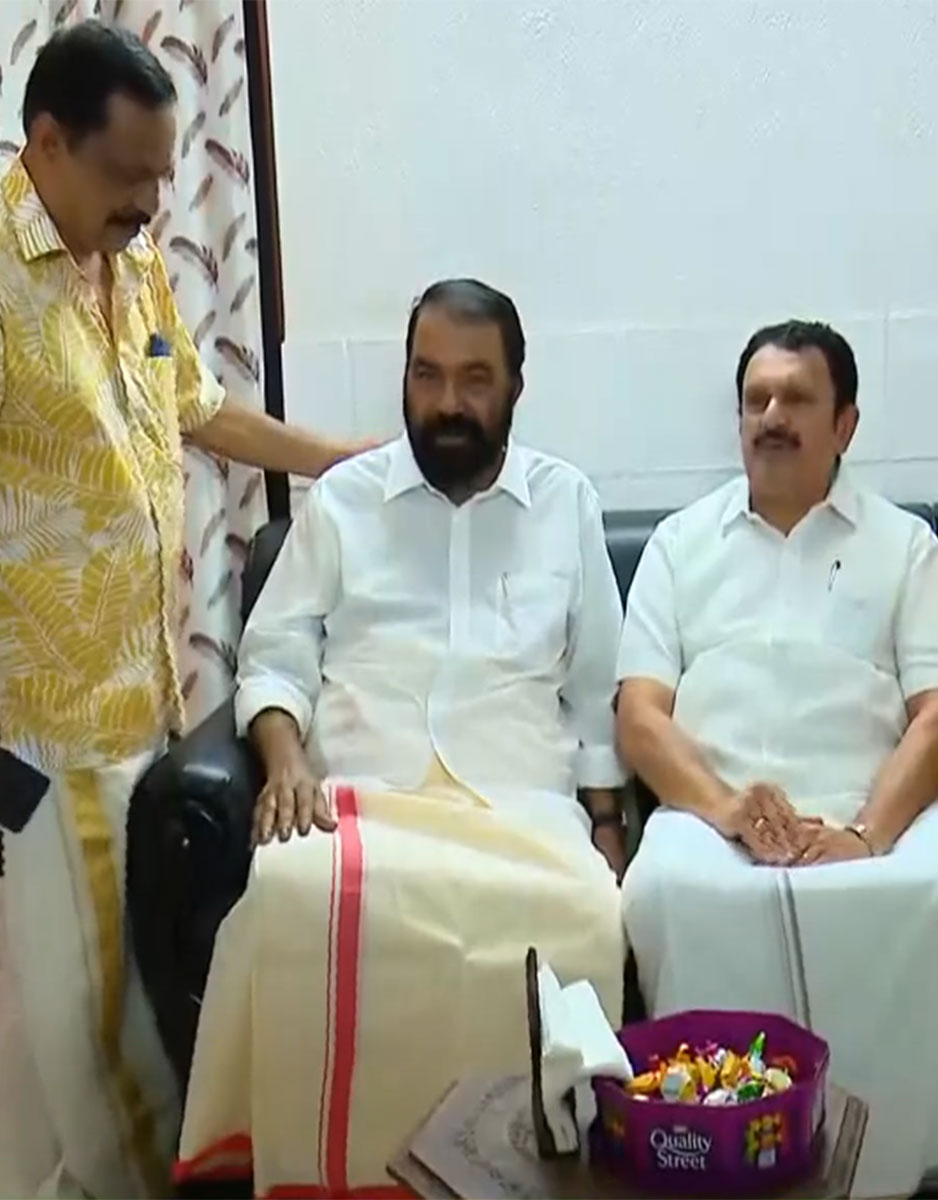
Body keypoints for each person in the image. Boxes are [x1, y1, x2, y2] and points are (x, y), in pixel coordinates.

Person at [0, 23, 368, 1199]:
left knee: (118, 1015)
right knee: (101, 1043)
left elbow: (200, 408)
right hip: (42, 732)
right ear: (45, 144)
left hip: (148, 694)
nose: (155, 203)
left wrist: (348, 461)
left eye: (167, 176)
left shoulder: (131, 252)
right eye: (129, 176)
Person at [174, 280, 629, 1195]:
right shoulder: (344, 502)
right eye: (427, 375)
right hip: (363, 794)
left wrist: (609, 826)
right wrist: (285, 759)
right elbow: (274, 654)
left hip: (520, 799)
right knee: (290, 900)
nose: (448, 402)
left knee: (586, 915)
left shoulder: (564, 501)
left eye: (473, 379)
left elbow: (594, 691)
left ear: (515, 387)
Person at [615, 320, 938, 1197]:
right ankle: (714, 1157)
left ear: (846, 424)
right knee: (667, 891)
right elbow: (639, 718)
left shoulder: (904, 546)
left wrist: (867, 831)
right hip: (717, 810)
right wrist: (727, 809)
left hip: (877, 803)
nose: (772, 417)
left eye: (797, 399)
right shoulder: (680, 543)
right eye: (756, 400)